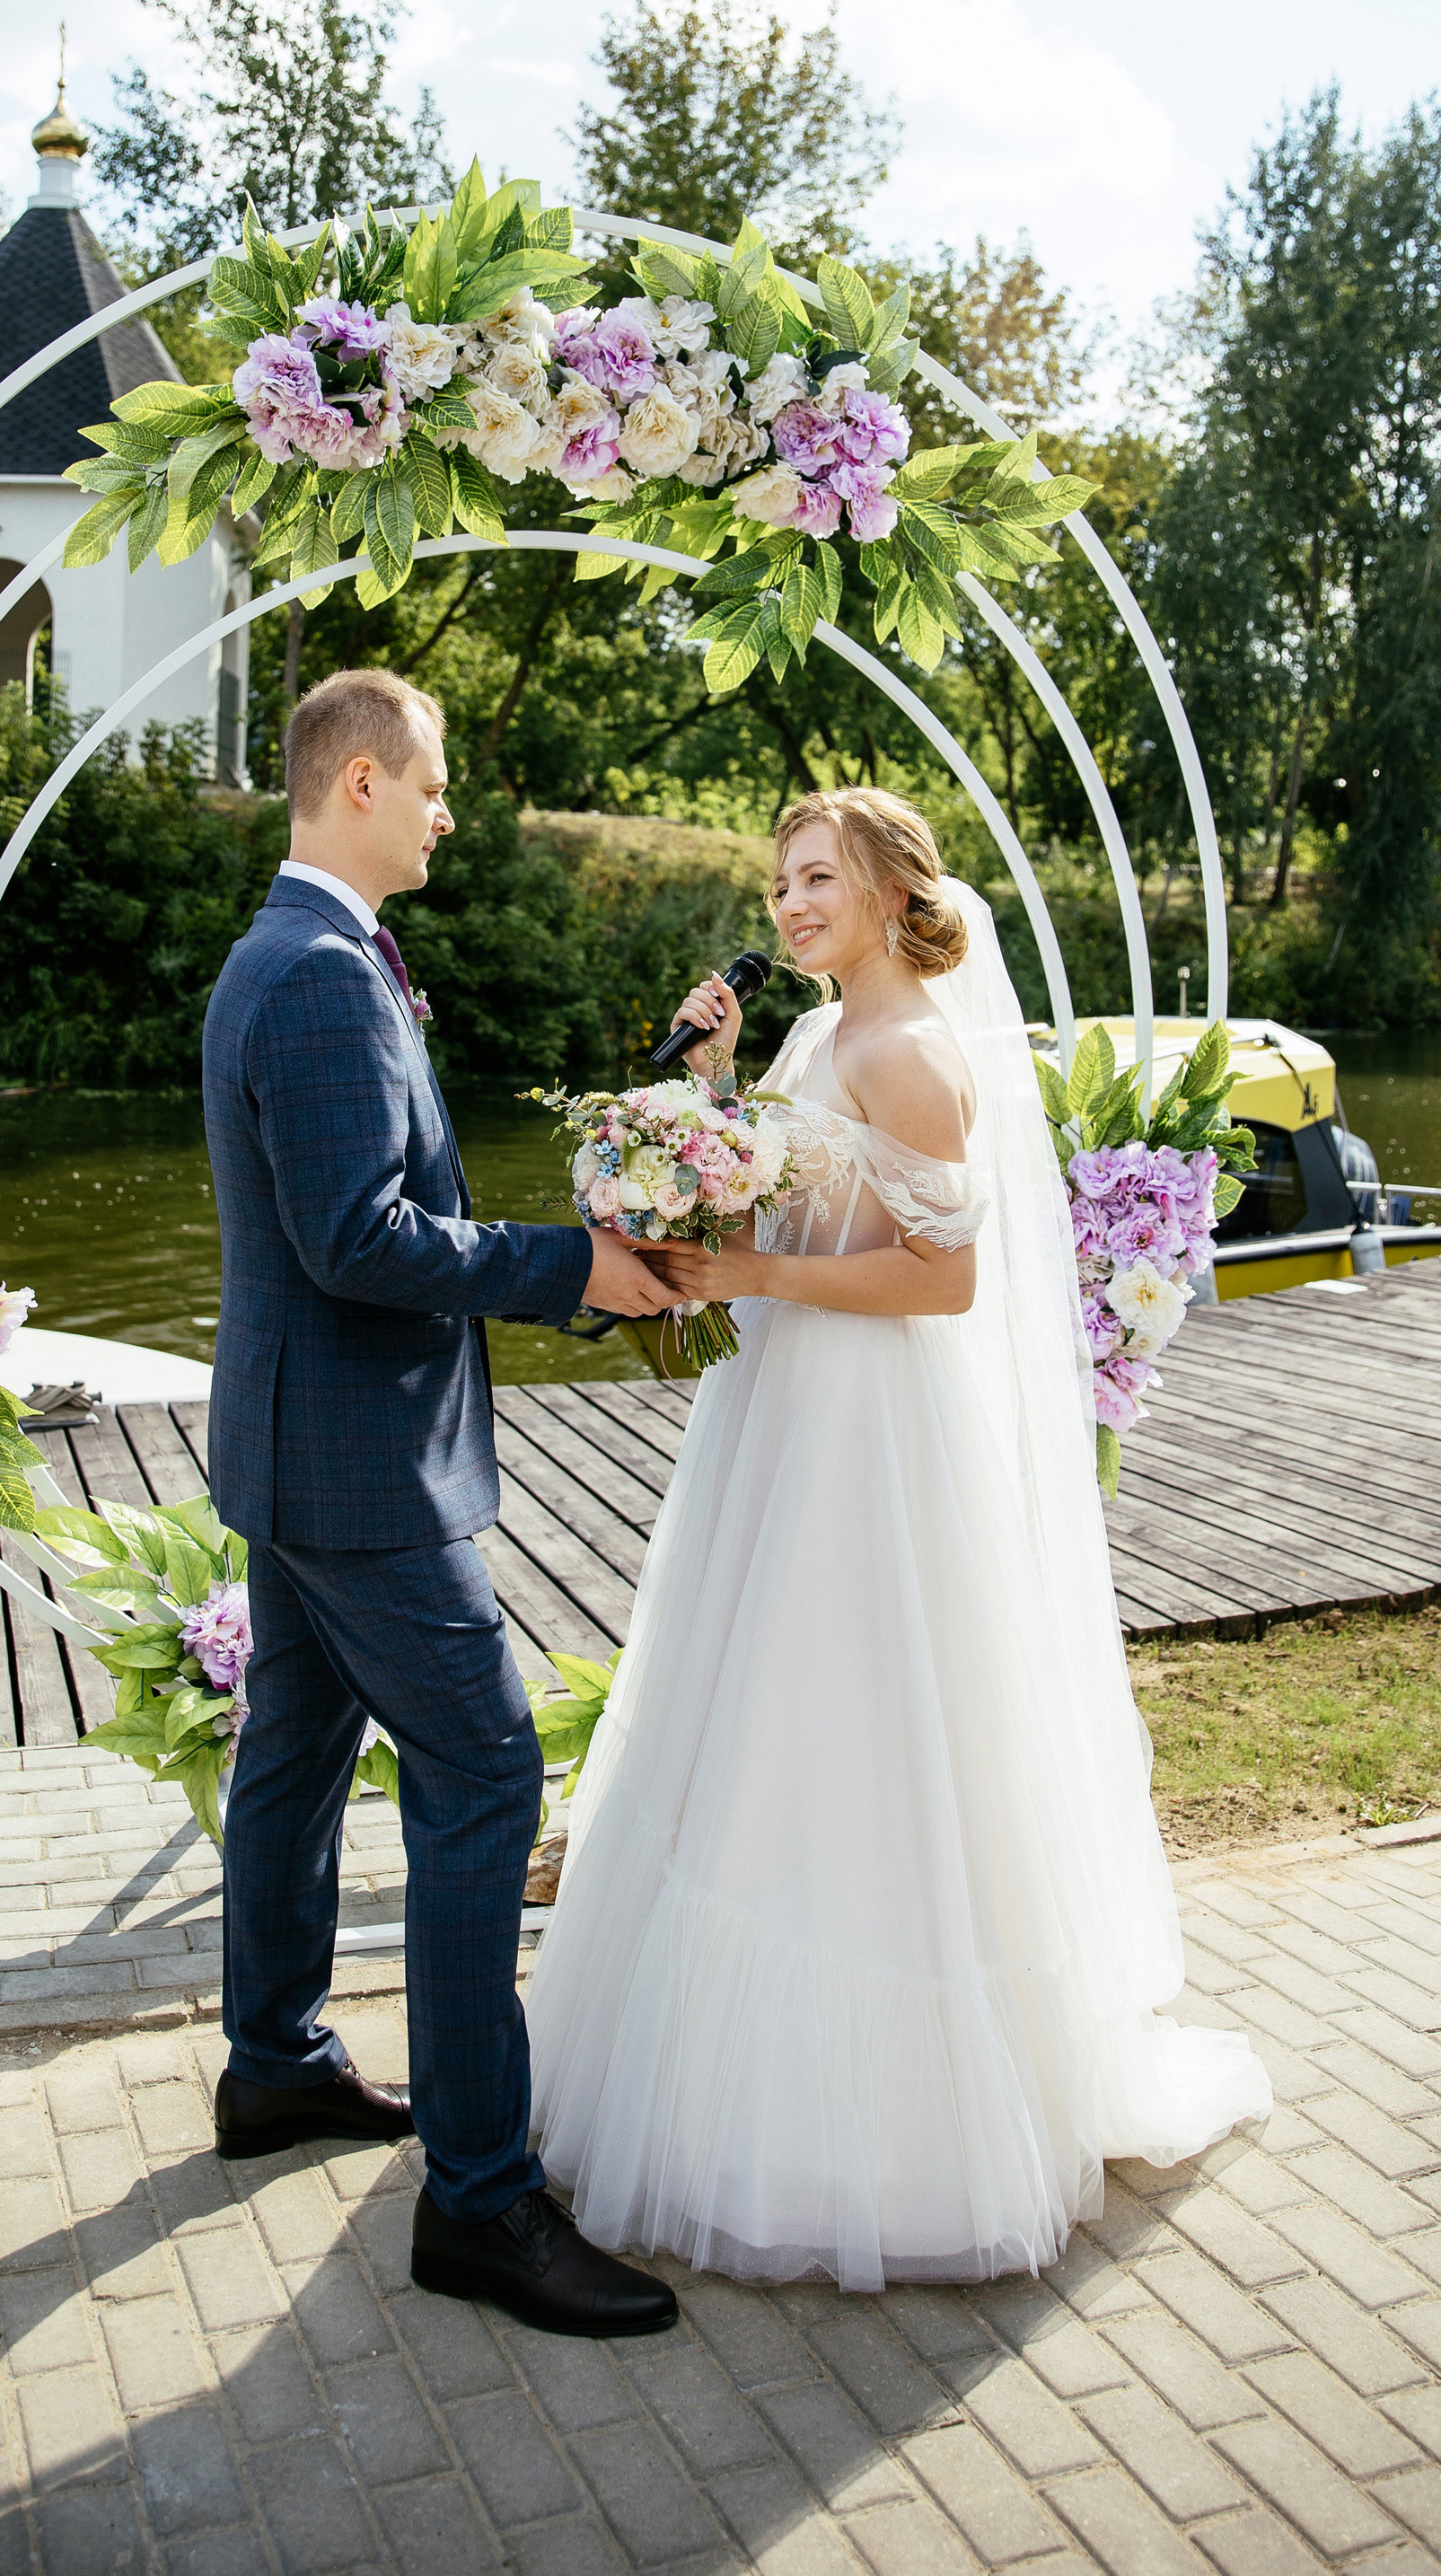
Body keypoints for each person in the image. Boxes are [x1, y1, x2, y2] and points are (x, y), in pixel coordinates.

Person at [526, 787, 1271, 2288]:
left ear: (885, 893)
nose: (789, 903)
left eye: (816, 878)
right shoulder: (816, 1034)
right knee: (758, 1719)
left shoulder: (919, 1053)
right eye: (780, 880)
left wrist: (743, 1266)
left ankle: (895, 2134)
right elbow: (802, 1198)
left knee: (865, 1726)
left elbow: (941, 1284)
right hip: (790, 1414)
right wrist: (715, 1101)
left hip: (874, 1430)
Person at [202, 666, 684, 2338]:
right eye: (434, 780)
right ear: (355, 785)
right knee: (483, 1768)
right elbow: (359, 1243)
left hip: (295, 1450)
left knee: (295, 1754)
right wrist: (578, 1274)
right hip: (356, 1471)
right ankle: (482, 2204)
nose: (449, 806)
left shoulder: (307, 955)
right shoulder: (322, 978)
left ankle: (273, 2069)